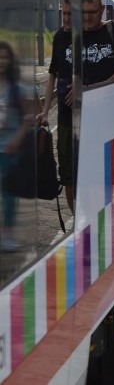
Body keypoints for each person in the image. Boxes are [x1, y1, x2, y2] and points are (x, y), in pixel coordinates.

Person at [37, 0, 75, 211]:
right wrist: (45, 110)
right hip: (65, 117)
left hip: (87, 117)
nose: (67, 18)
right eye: (64, 13)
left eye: (71, 14)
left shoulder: (86, 36)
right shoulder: (59, 37)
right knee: (67, 175)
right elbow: (52, 75)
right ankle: (77, 221)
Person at [0, 42, 39, 252]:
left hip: (10, 149)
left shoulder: (17, 88)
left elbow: (27, 117)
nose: (1, 62)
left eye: (5, 57)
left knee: (9, 195)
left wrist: (17, 139)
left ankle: (7, 235)